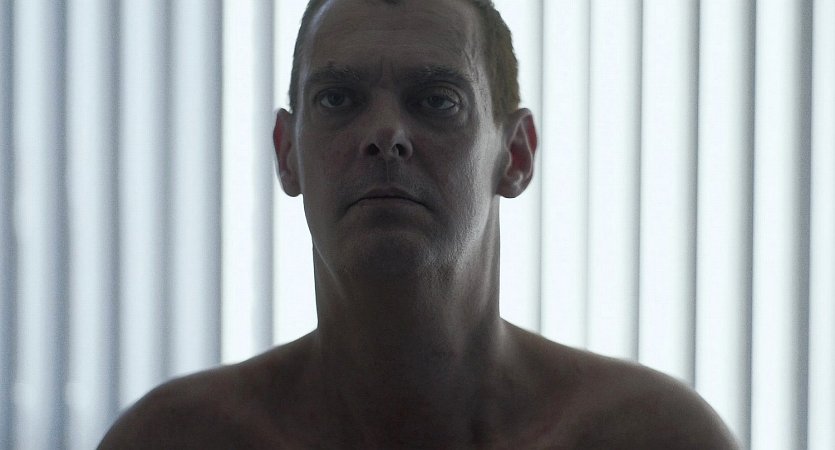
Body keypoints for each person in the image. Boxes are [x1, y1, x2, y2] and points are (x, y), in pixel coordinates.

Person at [99, 0, 740, 448]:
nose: (385, 135)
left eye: (437, 100)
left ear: (515, 155)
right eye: (338, 99)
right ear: (287, 153)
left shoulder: (653, 437)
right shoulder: (173, 439)